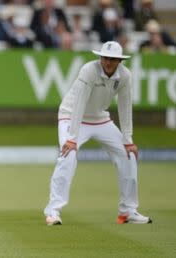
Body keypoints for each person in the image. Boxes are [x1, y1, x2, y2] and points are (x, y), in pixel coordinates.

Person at [43, 41, 152, 226]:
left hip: (100, 118)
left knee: (128, 155)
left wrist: (128, 139)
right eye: (105, 58)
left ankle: (127, 211)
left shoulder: (125, 75)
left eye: (112, 59)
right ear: (100, 57)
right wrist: (72, 138)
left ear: (119, 61)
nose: (108, 62)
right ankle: (53, 211)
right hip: (71, 116)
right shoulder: (89, 70)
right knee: (68, 156)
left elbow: (126, 106)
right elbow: (79, 103)